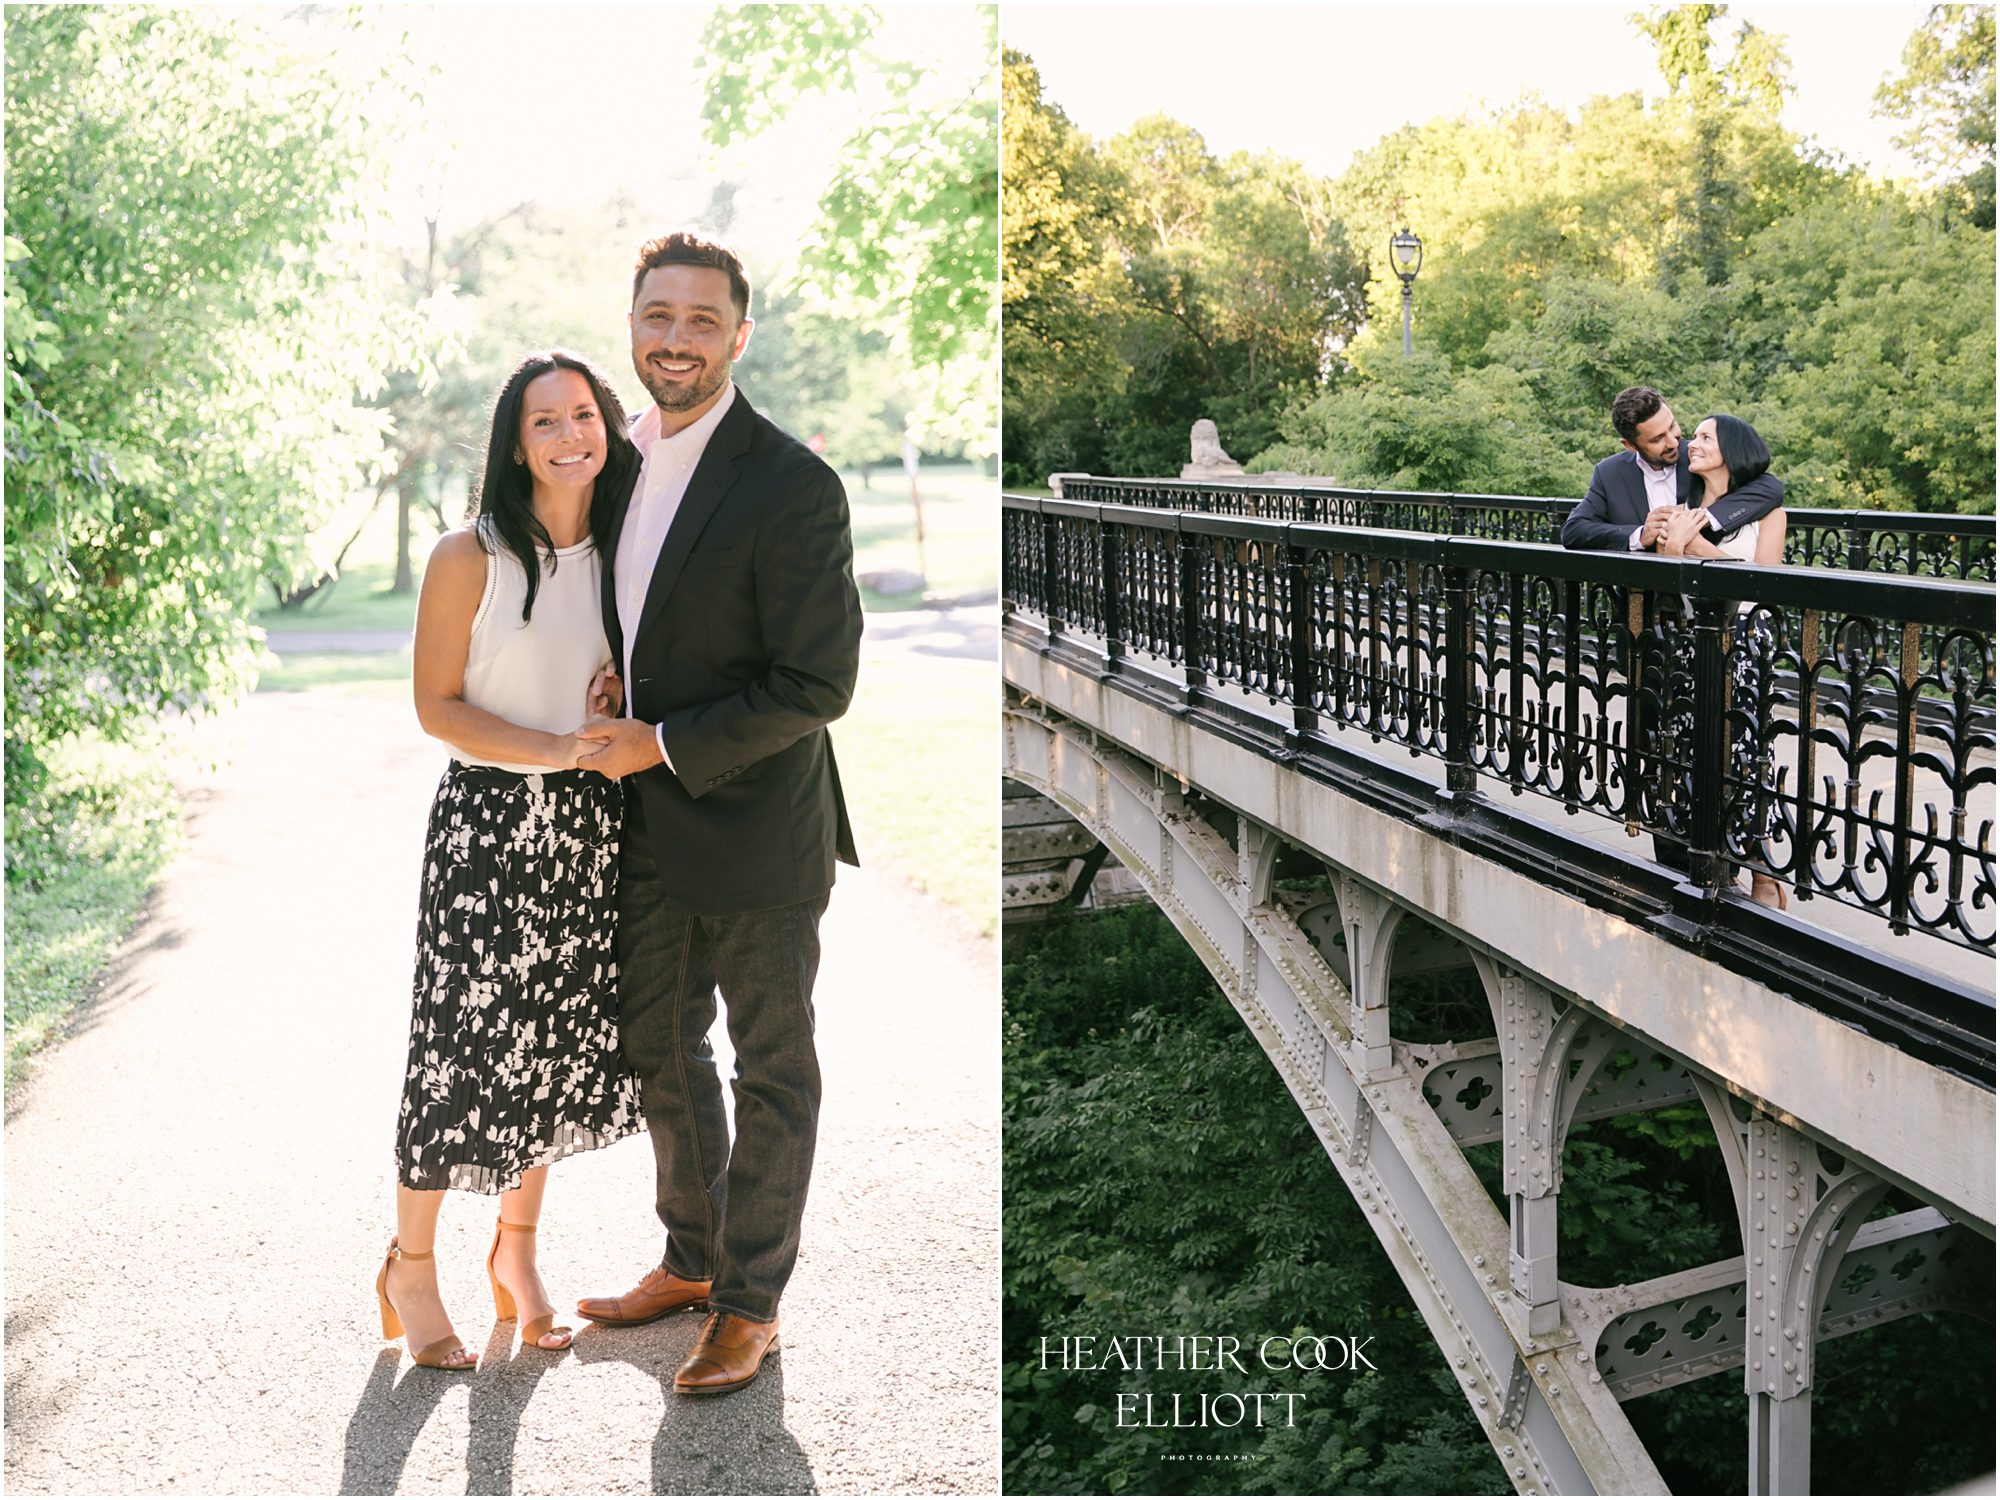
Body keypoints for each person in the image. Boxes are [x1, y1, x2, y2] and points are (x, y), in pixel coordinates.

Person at [572, 232, 863, 1397]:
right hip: (641, 824)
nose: (675, 338)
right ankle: (691, 1260)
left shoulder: (792, 481)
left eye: (701, 319)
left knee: (771, 1066)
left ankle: (750, 1304)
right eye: (657, 316)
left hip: (754, 830)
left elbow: (816, 683)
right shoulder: (619, 461)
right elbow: (641, 613)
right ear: (631, 326)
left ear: (738, 334)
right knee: (656, 1048)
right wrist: (615, 686)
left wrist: (664, 741)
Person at [375, 351, 646, 1370]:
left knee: (555, 1048)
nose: (570, 434)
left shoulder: (626, 553)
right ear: (515, 444)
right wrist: (550, 750)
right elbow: (435, 705)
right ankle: (410, 1263)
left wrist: (612, 707)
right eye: (547, 421)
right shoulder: (468, 555)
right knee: (455, 1049)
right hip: (488, 832)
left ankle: (516, 1256)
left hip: (588, 831)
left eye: (584, 414)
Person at [1655, 413, 1789, 911]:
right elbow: (1674, 575)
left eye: (1706, 438)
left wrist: (1692, 544)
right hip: (1696, 641)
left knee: (1747, 752)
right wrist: (1679, 544)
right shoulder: (1684, 505)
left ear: (1732, 450)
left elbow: (1762, 582)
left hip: (1748, 641)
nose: (1693, 443)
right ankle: (1714, 862)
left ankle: (1760, 863)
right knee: (1700, 751)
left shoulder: (1767, 512)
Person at [1560, 385, 1785, 553]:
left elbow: (1770, 488)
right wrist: (1641, 535)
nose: (1674, 442)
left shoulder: (1700, 458)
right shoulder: (1610, 474)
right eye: (1658, 438)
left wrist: (1702, 518)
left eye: (1672, 426)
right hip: (1639, 607)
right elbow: (1574, 530)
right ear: (1630, 445)